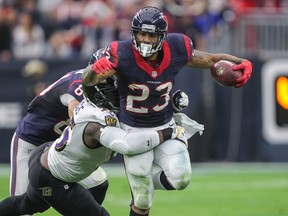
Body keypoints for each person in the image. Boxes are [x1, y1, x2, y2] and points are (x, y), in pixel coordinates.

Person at [82, 6, 253, 216]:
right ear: (134, 33)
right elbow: (89, 80)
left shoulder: (177, 47)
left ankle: (145, 185)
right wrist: (93, 72)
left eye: (151, 35)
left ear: (162, 36)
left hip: (166, 125)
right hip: (133, 132)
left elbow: (209, 59)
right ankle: (142, 190)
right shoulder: (121, 52)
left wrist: (240, 62)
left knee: (180, 178)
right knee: (143, 202)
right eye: (141, 33)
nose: (145, 39)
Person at [0, 76, 188, 216]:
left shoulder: (98, 102)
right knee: (25, 208)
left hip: (54, 147)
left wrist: (168, 106)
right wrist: (168, 131)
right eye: (114, 92)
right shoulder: (85, 102)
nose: (119, 97)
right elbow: (79, 116)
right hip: (34, 141)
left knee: (98, 185)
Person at [10, 66, 109, 207]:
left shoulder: (106, 86)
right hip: (31, 141)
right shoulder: (79, 83)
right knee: (24, 204)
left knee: (98, 183)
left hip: (57, 145)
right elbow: (75, 112)